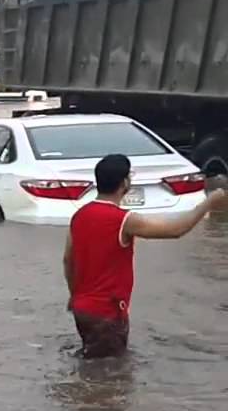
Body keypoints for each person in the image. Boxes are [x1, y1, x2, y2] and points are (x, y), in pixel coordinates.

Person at [64, 153, 228, 358]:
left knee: (92, 361)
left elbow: (68, 261)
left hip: (82, 309)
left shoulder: (79, 216)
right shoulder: (124, 220)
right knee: (109, 374)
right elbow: (176, 230)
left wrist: (74, 296)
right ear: (124, 182)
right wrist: (208, 203)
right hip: (108, 312)